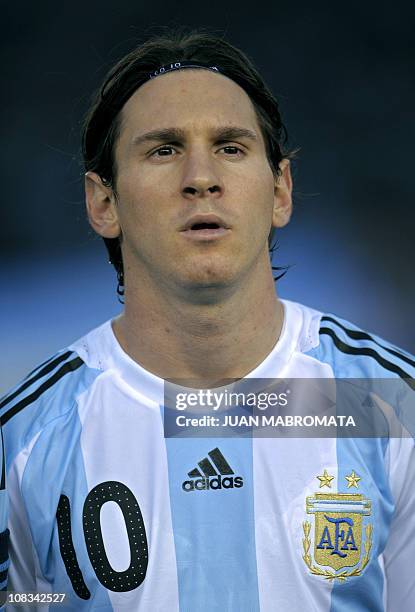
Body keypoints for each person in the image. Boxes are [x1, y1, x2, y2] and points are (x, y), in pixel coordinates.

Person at [1, 30, 414, 612]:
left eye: (230, 147)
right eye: (163, 149)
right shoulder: (20, 441)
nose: (201, 177)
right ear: (103, 203)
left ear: (280, 190)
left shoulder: (392, 404)